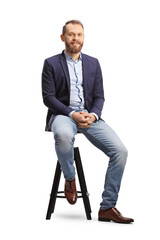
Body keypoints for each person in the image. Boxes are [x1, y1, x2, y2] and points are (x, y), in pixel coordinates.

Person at [42, 20, 134, 223]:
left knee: (120, 151)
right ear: (62, 37)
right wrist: (71, 114)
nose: (75, 38)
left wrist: (93, 115)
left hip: (89, 116)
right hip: (63, 115)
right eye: (71, 34)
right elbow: (48, 98)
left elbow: (99, 96)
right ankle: (69, 178)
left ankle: (107, 207)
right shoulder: (51, 63)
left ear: (84, 37)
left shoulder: (93, 63)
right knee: (64, 135)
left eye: (79, 34)